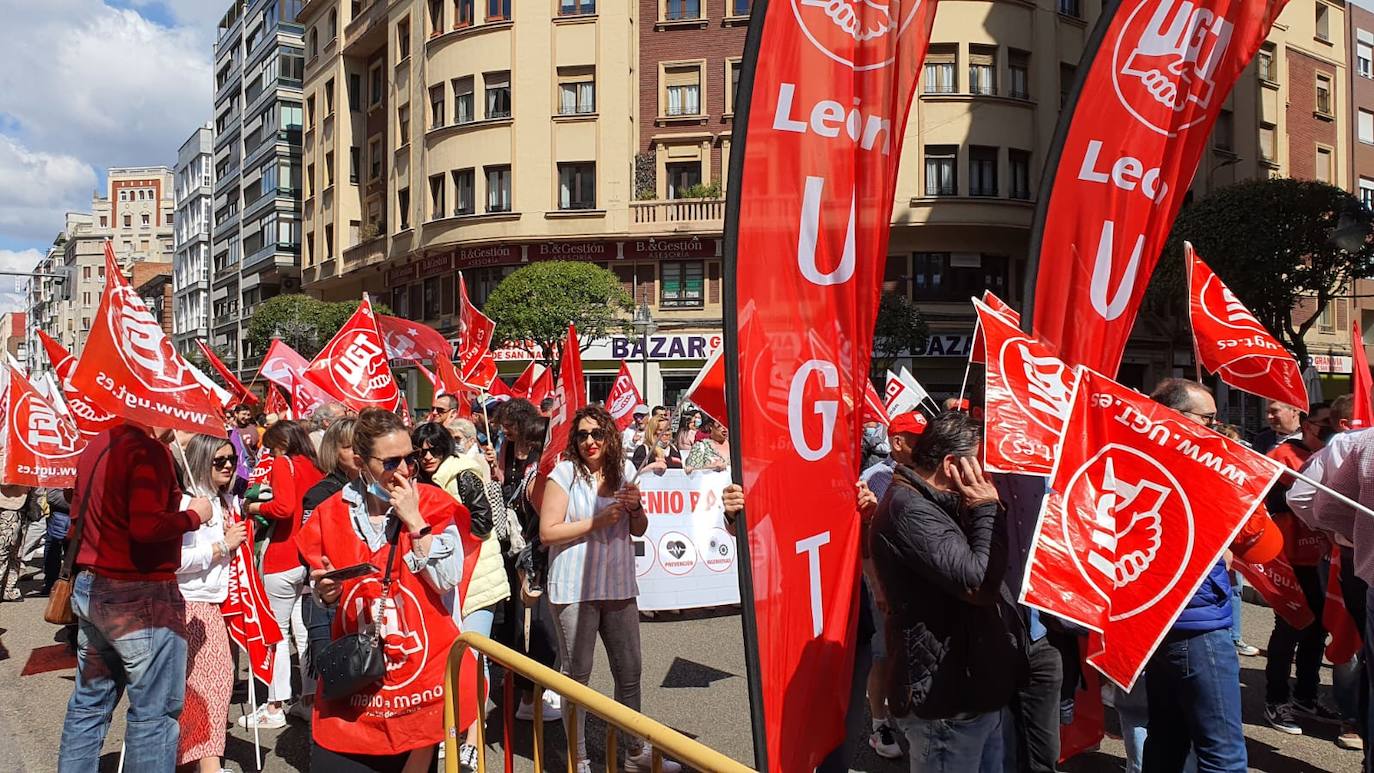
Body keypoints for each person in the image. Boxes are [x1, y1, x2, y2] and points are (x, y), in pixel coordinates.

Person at [295, 407, 476, 772]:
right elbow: (321, 586)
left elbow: (447, 579)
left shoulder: (434, 504)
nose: (407, 469)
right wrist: (324, 591)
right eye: (392, 462)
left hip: (419, 684)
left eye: (410, 458)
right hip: (355, 681)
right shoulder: (330, 512)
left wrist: (415, 522)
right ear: (361, 462)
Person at [869, 411, 1022, 771]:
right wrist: (986, 509)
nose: (987, 475)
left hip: (969, 690)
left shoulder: (937, 501)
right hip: (944, 702)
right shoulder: (910, 510)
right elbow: (976, 581)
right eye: (981, 463)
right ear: (952, 464)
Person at [58, 421, 213, 773]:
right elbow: (146, 528)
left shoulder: (100, 443)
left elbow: (77, 514)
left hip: (94, 584)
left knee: (89, 703)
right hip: (139, 593)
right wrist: (194, 516)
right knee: (154, 713)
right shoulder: (149, 451)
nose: (186, 430)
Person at [539, 404, 681, 773]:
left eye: (597, 433)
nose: (589, 441)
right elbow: (547, 531)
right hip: (574, 589)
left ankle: (635, 753)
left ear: (610, 437)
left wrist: (636, 510)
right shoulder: (564, 474)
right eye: (583, 434)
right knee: (578, 679)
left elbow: (639, 530)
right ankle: (579, 759)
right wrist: (597, 521)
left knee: (629, 672)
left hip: (618, 586)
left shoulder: (625, 472)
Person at [1140, 379, 1246, 773]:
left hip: (1165, 624)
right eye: (1208, 419)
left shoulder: (1148, 460)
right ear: (1175, 417)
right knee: (1223, 754)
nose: (1215, 428)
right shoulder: (1184, 468)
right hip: (1197, 625)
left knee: (1166, 740)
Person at [411, 421, 511, 770]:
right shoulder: (420, 484)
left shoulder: (463, 475)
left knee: (473, 655)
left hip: (478, 579)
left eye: (433, 449)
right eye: (420, 451)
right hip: (448, 582)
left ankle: (474, 736)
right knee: (449, 659)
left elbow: (483, 525)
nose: (426, 456)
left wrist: (442, 527)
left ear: (445, 448)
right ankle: (452, 728)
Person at [241, 420, 325, 728]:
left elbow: (283, 508)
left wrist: (253, 509)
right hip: (307, 557)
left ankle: (274, 705)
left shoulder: (283, 463)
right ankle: (308, 699)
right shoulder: (315, 466)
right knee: (303, 632)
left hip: (281, 557)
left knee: (274, 634)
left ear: (280, 444)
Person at [175, 434, 249, 772]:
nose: (227, 465)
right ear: (202, 461)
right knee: (215, 683)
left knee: (204, 686)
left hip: (219, 602)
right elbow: (175, 559)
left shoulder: (225, 500)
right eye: (218, 460)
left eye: (231, 459)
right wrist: (221, 545)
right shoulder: (190, 503)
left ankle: (197, 760)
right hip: (191, 603)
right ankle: (208, 765)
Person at [1263, 400, 1337, 735]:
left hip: (1318, 556)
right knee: (1289, 628)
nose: (1331, 427)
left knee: (1318, 627)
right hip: (1287, 556)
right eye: (1325, 422)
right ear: (1308, 425)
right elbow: (1268, 499)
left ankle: (1306, 695)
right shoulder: (1282, 455)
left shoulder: (1329, 454)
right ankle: (1276, 701)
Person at [492, 398, 564, 722]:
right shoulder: (506, 451)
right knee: (518, 623)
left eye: (507, 424)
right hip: (510, 548)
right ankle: (526, 691)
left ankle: (535, 689)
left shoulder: (540, 454)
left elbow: (540, 505)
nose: (502, 430)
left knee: (536, 622)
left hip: (534, 549)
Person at [860, 412, 922, 761]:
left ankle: (912, 718)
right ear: (897, 442)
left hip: (916, 585)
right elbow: (866, 541)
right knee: (884, 656)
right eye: (915, 437)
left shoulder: (926, 475)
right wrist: (878, 586)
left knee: (910, 653)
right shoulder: (877, 478)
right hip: (885, 585)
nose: (922, 443)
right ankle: (880, 723)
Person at [0, 485, 35, 600]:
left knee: (16, 551)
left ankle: (9, 588)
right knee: (3, 548)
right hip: (6, 503)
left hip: (23, 504)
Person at [43, 488, 73, 596]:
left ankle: (71, 584)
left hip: (79, 516)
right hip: (60, 515)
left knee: (74, 554)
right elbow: (52, 496)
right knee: (53, 548)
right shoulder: (59, 473)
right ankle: (51, 583)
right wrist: (77, 501)